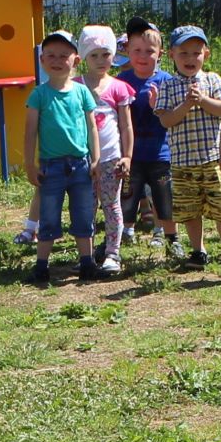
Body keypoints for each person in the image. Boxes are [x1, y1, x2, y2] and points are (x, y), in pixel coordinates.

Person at [152, 25, 221, 268]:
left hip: (212, 159)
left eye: (196, 53)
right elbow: (166, 120)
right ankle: (198, 251)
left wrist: (203, 100)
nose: (190, 59)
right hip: (182, 162)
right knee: (189, 211)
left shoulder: (212, 80)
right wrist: (186, 105)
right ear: (171, 55)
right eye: (183, 53)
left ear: (206, 55)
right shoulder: (167, 85)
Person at [24, 30, 102, 286]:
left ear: (76, 60)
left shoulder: (82, 92)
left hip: (80, 165)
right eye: (51, 55)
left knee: (83, 215)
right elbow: (30, 131)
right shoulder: (39, 94)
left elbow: (92, 127)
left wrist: (96, 159)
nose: (57, 60)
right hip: (51, 167)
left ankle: (87, 263)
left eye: (64, 55)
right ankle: (41, 267)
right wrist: (29, 164)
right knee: (48, 216)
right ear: (42, 61)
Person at [117, 17, 182, 259]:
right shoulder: (121, 82)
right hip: (130, 155)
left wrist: (159, 106)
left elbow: (175, 116)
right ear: (127, 52)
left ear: (161, 53)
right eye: (136, 50)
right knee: (128, 196)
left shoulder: (167, 81)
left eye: (149, 51)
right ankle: (123, 232)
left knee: (163, 197)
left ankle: (170, 238)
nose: (142, 56)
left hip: (160, 153)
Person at [80, 24, 136, 274]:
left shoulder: (119, 87)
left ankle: (113, 254)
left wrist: (127, 156)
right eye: (94, 55)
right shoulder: (76, 87)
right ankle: (87, 255)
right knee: (86, 207)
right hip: (83, 160)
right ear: (83, 57)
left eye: (106, 54)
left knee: (111, 206)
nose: (101, 60)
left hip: (112, 160)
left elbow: (125, 126)